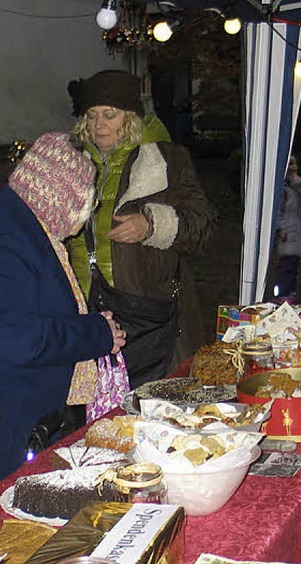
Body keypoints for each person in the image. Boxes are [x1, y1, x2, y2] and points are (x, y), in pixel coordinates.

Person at [0, 133, 125, 494]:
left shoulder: (24, 226)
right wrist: (97, 334)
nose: (82, 219)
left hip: (11, 418)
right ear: (62, 194)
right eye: (85, 205)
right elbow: (20, 339)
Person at [68, 70, 216, 389]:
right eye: (92, 116)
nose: (99, 125)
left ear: (131, 118)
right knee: (97, 413)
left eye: (110, 115)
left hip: (149, 313)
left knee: (152, 406)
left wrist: (152, 225)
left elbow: (203, 226)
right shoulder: (72, 165)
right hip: (86, 312)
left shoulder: (166, 161)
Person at [273, 155, 301, 303]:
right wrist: (281, 228)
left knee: (293, 264)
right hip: (287, 232)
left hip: (296, 230)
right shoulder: (283, 190)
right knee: (287, 264)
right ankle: (283, 294)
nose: (293, 168)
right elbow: (278, 212)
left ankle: (290, 291)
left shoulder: (295, 188)